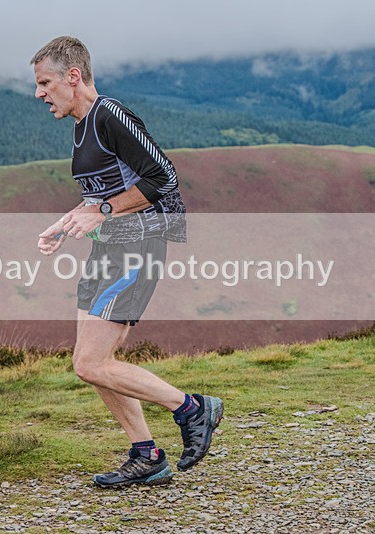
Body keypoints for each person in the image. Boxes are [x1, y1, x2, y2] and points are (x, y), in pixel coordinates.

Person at [31, 36, 223, 488]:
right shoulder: (81, 126)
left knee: (90, 363)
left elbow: (163, 176)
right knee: (92, 360)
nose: (39, 93)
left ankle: (192, 408)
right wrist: (66, 222)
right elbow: (101, 195)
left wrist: (99, 212)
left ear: (72, 77)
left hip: (138, 246)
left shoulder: (110, 114)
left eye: (45, 83)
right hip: (109, 247)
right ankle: (147, 454)